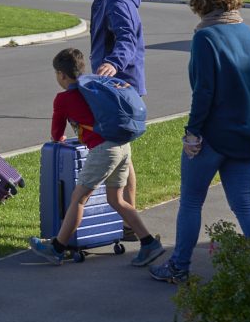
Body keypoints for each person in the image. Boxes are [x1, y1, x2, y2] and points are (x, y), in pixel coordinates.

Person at [149, 0, 250, 284]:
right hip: (247, 136)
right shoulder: (246, 32)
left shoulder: (205, 38)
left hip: (212, 136)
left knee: (191, 201)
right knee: (244, 203)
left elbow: (204, 94)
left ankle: (179, 267)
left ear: (198, 0)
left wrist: (192, 134)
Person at [28, 47, 164, 267]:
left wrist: (60, 137)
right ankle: (149, 243)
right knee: (116, 200)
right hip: (122, 146)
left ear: (61, 75)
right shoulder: (93, 89)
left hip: (103, 150)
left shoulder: (63, 99)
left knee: (79, 198)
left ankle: (57, 248)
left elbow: (56, 133)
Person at [65, 0, 145, 241]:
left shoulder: (115, 0)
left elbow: (127, 38)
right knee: (125, 156)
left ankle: (129, 222)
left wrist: (112, 63)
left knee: (120, 155)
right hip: (114, 87)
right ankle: (128, 220)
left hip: (120, 90)